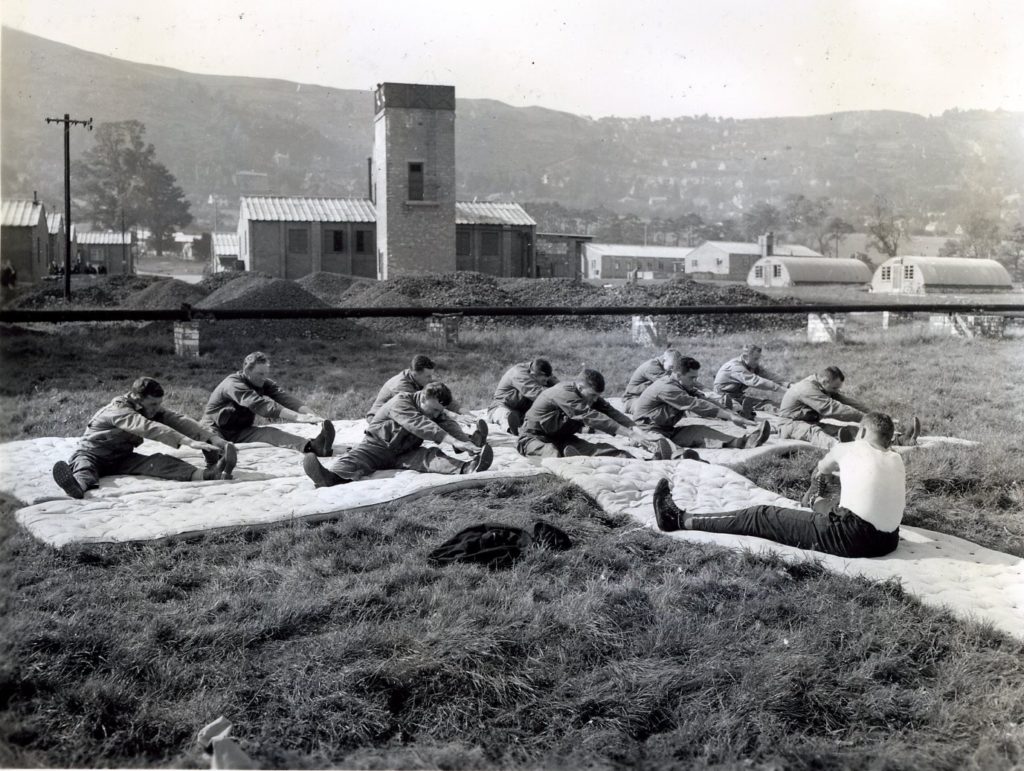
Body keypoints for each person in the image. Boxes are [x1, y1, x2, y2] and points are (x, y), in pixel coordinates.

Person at [653, 412, 906, 559]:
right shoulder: (896, 459)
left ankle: (677, 520)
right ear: (888, 439)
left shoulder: (848, 448)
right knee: (833, 505)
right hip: (887, 541)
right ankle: (817, 504)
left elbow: (820, 470)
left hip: (853, 538)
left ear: (861, 432)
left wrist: (815, 485)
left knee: (760, 516)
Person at [51, 377, 236, 500]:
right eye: (153, 404)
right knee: (85, 468)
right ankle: (77, 487)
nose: (157, 408)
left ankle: (209, 474)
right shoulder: (119, 410)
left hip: (121, 457)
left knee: (159, 462)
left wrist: (213, 439)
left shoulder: (146, 407)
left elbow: (178, 420)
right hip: (92, 453)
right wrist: (188, 442)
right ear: (135, 398)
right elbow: (147, 427)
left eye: (159, 403)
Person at [302, 382, 493, 487]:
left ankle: (468, 468)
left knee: (430, 456)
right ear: (422, 397)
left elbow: (445, 421)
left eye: (439, 411)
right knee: (353, 462)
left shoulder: (433, 409)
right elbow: (420, 425)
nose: (436, 415)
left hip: (406, 451)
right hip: (376, 446)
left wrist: (465, 443)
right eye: (434, 409)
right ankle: (328, 478)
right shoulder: (401, 401)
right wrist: (454, 441)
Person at [202, 351, 335, 463]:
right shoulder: (233, 384)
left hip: (240, 431)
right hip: (215, 428)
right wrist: (298, 417)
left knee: (271, 433)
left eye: (266, 373)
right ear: (247, 370)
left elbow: (283, 397)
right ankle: (217, 462)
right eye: (260, 374)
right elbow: (260, 405)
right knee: (215, 445)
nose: (264, 378)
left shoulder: (260, 382)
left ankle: (314, 447)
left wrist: (310, 415)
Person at [633, 355, 771, 456]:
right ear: (678, 375)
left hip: (667, 429)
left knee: (700, 431)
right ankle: (672, 453)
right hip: (647, 430)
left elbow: (702, 398)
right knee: (665, 447)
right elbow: (696, 405)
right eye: (692, 378)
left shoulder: (680, 383)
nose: (695, 381)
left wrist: (731, 414)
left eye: (696, 377)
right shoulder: (667, 387)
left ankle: (742, 442)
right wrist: (729, 416)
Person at [517, 368, 671, 459]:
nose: (595, 400)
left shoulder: (588, 394)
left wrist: (638, 431)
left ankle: (648, 459)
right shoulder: (563, 392)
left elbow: (612, 413)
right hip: (534, 438)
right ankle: (567, 459)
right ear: (580, 387)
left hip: (564, 439)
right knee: (551, 453)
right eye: (592, 396)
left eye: (597, 396)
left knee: (608, 452)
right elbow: (592, 417)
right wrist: (630, 435)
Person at [778, 366, 919, 450]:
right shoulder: (806, 388)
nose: (836, 391)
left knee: (849, 431)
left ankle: (900, 440)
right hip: (790, 424)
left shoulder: (823, 385)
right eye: (834, 388)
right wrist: (865, 418)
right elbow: (832, 408)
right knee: (815, 433)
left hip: (809, 421)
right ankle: (841, 449)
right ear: (824, 381)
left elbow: (847, 401)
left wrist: (876, 416)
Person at [367, 354, 488, 445]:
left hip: (402, 416)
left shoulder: (420, 380)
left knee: (440, 414)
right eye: (428, 376)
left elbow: (439, 397)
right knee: (439, 416)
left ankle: (464, 441)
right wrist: (453, 415)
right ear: (414, 373)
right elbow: (423, 409)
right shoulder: (400, 385)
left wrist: (462, 411)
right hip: (383, 422)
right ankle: (464, 442)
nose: (431, 379)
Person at [713, 344, 791, 418]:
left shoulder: (751, 365)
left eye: (758, 358)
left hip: (738, 397)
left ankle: (792, 413)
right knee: (737, 407)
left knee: (767, 404)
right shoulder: (735, 366)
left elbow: (770, 376)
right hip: (722, 397)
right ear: (745, 356)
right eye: (755, 359)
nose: (758, 362)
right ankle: (736, 411)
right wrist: (784, 390)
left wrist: (790, 386)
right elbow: (757, 382)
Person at [487, 358, 558, 435]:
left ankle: (522, 426)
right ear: (533, 375)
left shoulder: (541, 373)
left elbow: (559, 388)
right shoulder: (519, 374)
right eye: (543, 381)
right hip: (503, 405)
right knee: (504, 415)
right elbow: (539, 395)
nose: (545, 383)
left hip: (522, 411)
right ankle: (511, 429)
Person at [621, 347, 681, 414]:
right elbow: (669, 385)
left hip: (648, 398)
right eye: (672, 367)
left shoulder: (666, 366)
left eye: (676, 368)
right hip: (633, 399)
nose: (673, 370)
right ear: (664, 361)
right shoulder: (652, 367)